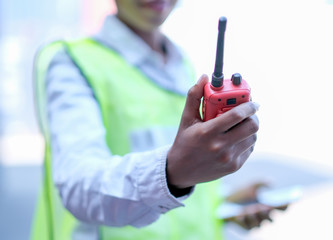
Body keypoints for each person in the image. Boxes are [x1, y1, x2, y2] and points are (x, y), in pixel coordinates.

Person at [32, 0, 284, 239]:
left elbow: (182, 173)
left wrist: (225, 204)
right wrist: (173, 172)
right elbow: (80, 187)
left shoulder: (181, 63)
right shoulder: (73, 62)